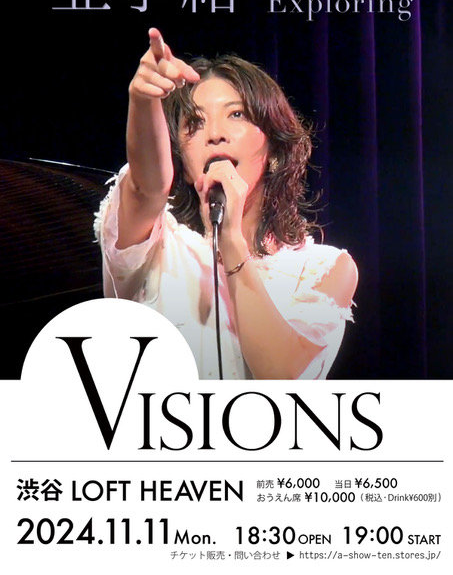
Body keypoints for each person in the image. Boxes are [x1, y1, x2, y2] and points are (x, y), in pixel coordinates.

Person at [94, 27, 358, 380]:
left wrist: (231, 241)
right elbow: (147, 188)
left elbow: (281, 376)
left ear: (275, 151)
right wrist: (143, 99)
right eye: (195, 122)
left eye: (236, 115)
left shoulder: (322, 269)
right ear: (181, 162)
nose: (215, 133)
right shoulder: (156, 244)